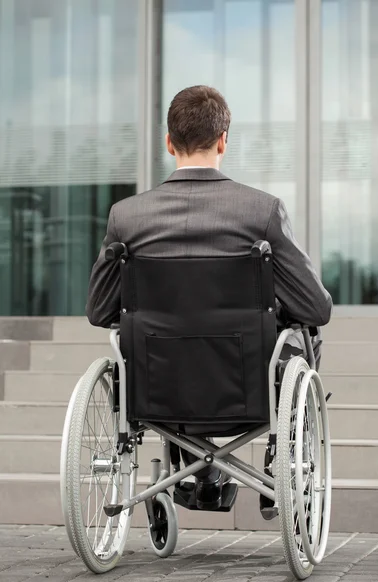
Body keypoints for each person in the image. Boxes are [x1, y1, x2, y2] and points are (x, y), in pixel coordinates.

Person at [87, 85, 332, 510]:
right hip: (247, 385)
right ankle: (278, 456)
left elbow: (100, 310)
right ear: (223, 140)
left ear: (169, 142)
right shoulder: (262, 211)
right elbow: (316, 308)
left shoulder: (125, 217)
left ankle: (199, 468)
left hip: (157, 389)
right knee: (301, 341)